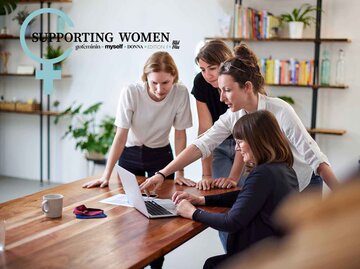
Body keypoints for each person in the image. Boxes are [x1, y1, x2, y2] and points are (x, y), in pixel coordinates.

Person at [140, 44, 339, 196]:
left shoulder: (280, 110)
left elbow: (317, 159)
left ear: (247, 87)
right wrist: (161, 174)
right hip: (279, 185)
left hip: (305, 181)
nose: (221, 97)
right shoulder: (234, 115)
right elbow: (202, 144)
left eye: (227, 90)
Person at [82, 51, 193, 268]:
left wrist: (180, 173)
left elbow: (180, 134)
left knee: (161, 216)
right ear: (145, 78)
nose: (160, 89)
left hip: (162, 157)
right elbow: (120, 135)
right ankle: (130, 260)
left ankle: (156, 264)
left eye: (165, 83)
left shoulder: (180, 93)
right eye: (154, 83)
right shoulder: (131, 92)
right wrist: (106, 175)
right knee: (128, 215)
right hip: (131, 155)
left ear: (175, 78)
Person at [172, 110, 298, 268]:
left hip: (258, 259)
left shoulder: (263, 173)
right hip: (275, 255)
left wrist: (193, 212)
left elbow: (231, 222)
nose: (237, 148)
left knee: (211, 265)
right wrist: (202, 200)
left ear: (256, 141)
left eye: (240, 142)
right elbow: (247, 195)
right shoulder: (284, 169)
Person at [192, 40, 242, 191]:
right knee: (220, 190)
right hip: (218, 144)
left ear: (226, 64)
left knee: (244, 191)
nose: (207, 75)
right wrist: (205, 175)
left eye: (212, 68)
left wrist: (233, 177)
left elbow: (245, 134)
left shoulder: (241, 80)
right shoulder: (201, 82)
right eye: (202, 69)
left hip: (246, 144)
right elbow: (205, 129)